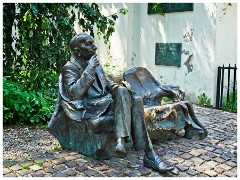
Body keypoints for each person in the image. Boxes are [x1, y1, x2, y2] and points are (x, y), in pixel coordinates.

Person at [50, 33, 174, 173]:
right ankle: (145, 153)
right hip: (92, 108)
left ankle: (130, 145)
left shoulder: (94, 63)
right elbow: (75, 93)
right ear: (78, 51)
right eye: (89, 44)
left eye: (93, 43)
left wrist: (123, 90)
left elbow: (108, 84)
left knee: (133, 98)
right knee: (130, 102)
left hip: (106, 103)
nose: (95, 47)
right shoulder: (70, 68)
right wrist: (90, 69)